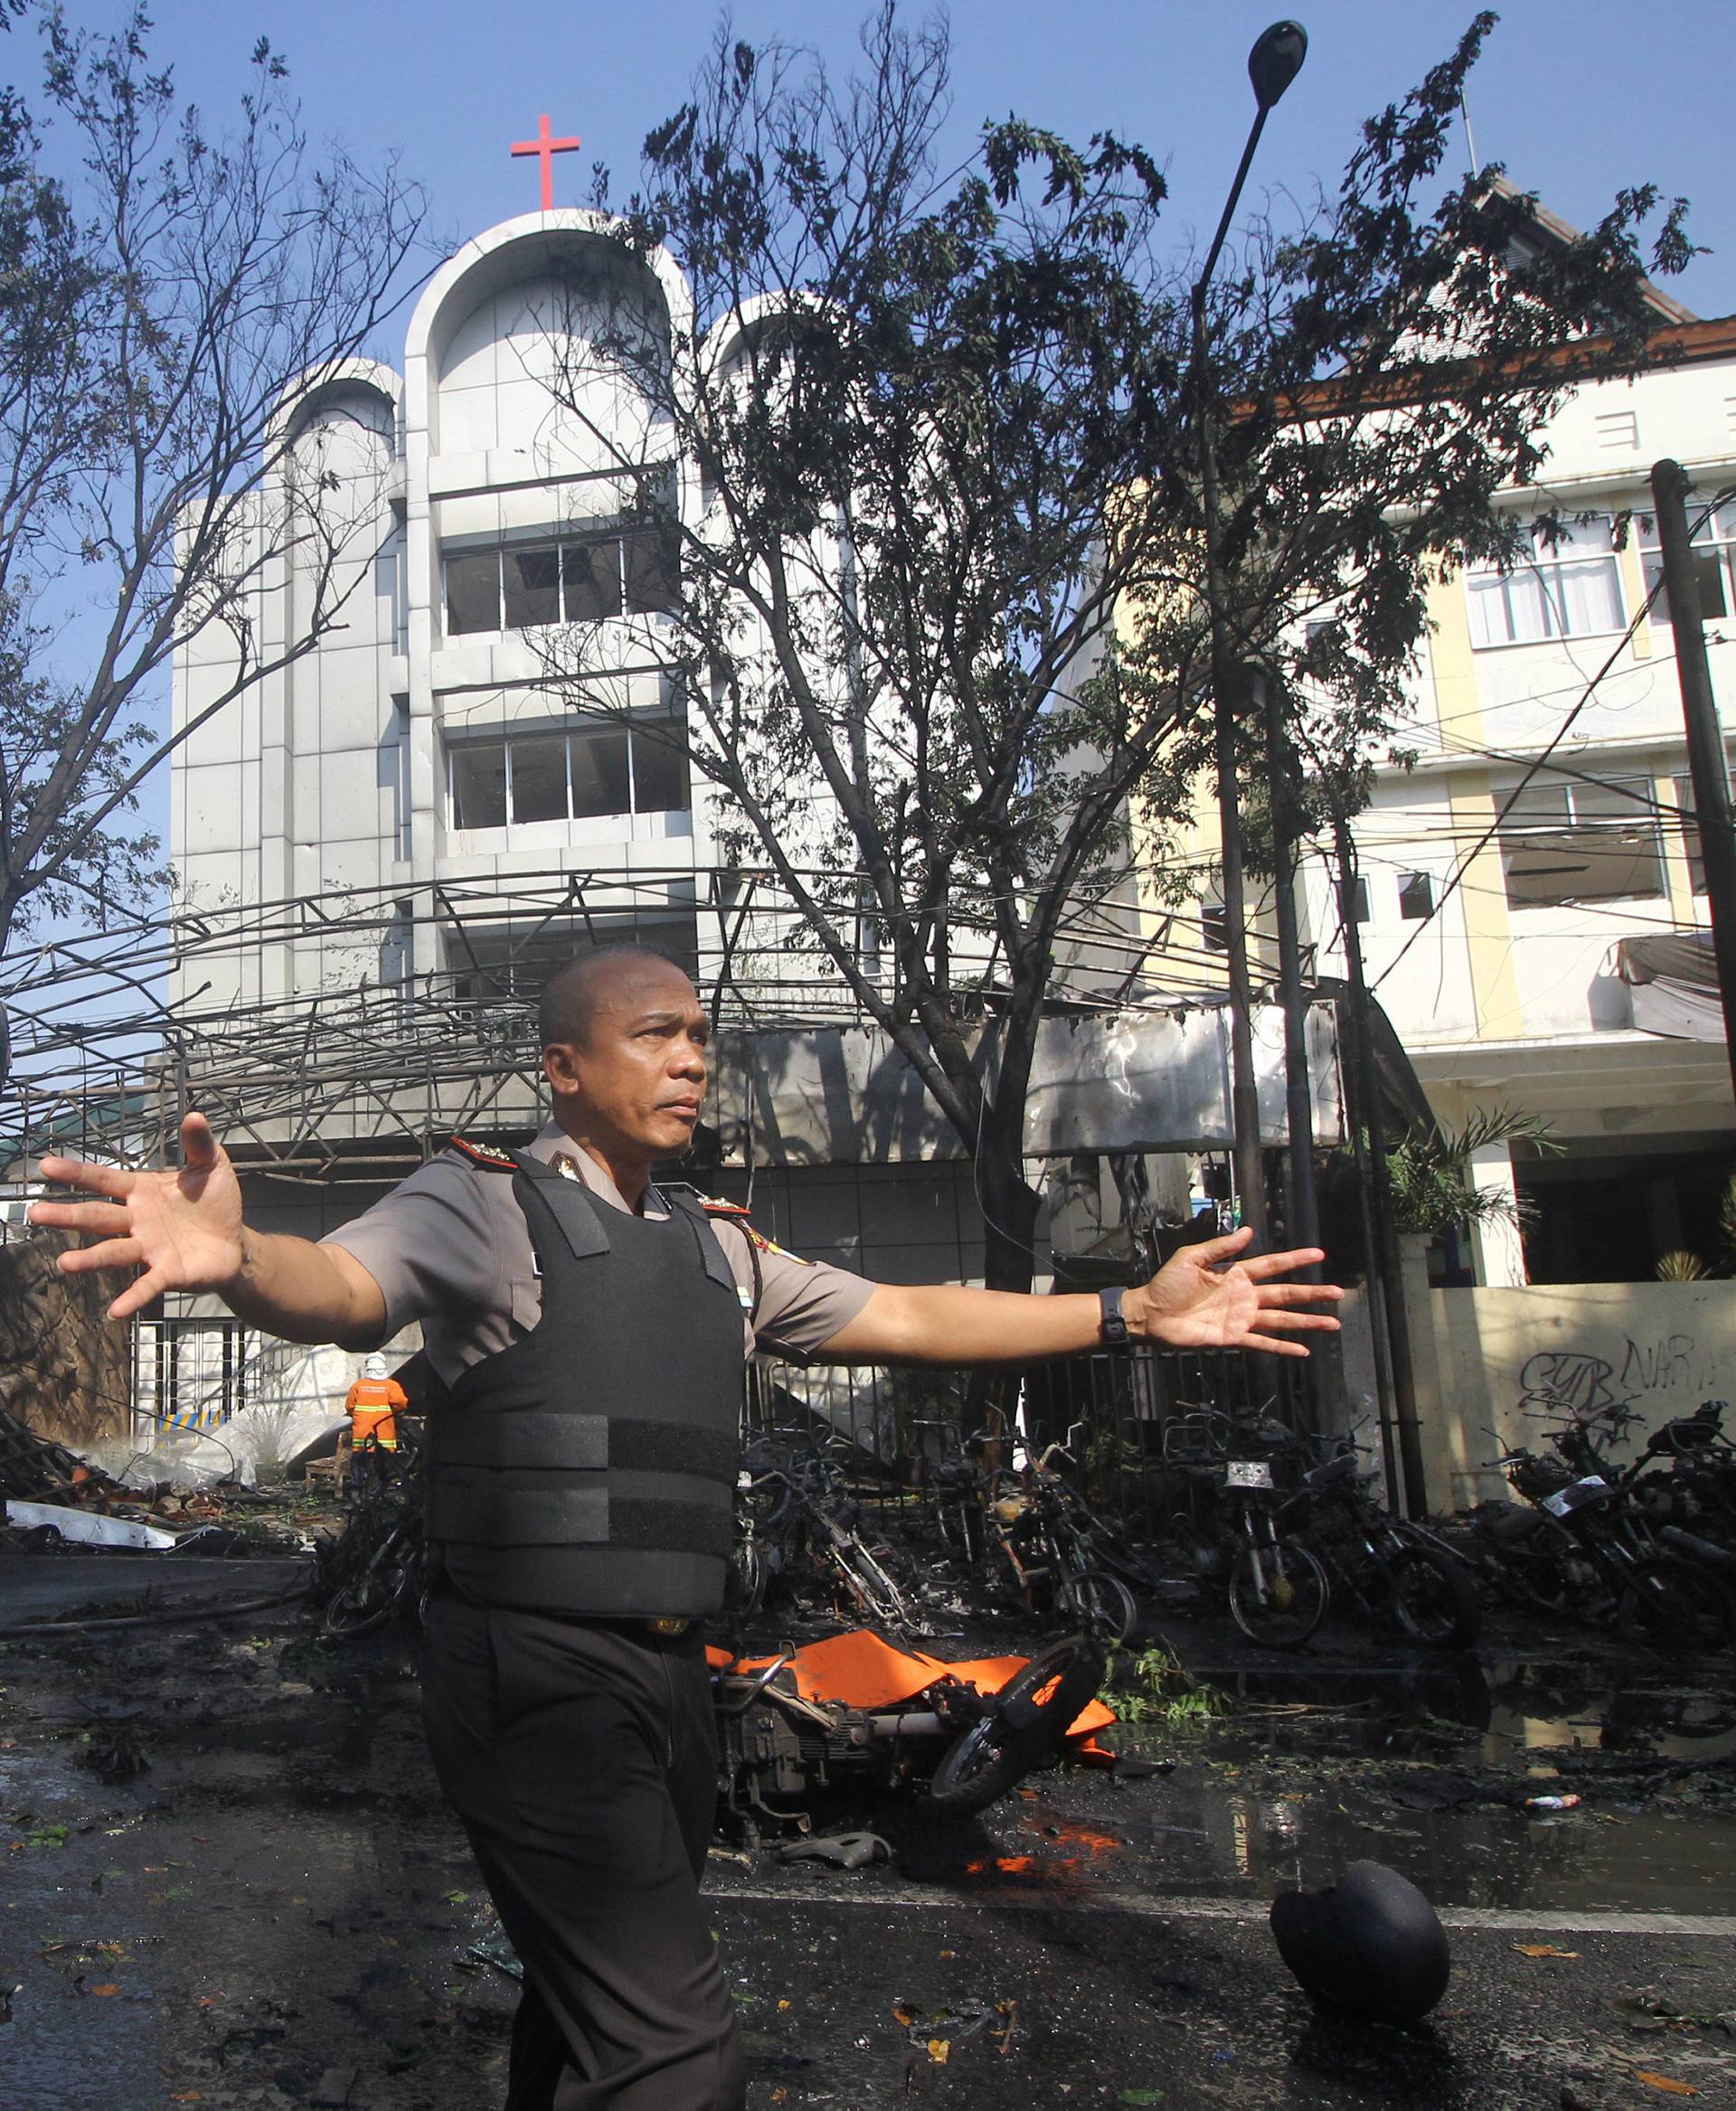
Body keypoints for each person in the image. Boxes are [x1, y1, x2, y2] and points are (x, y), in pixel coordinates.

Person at [29, 946, 1342, 2111]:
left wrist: (1131, 1315)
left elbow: (914, 1314)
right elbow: (346, 1285)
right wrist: (242, 1255)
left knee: (585, 2004)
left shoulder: (718, 1245)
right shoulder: (481, 1203)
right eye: (657, 1031)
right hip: (533, 1674)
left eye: (701, 1033)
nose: (694, 1055)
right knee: (674, 2051)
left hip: (673, 1680)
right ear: (563, 1067)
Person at [344, 1351, 408, 1495]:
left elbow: (349, 1407)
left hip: (362, 1434)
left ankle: (357, 1494)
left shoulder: (358, 1386)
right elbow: (400, 1403)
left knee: (359, 1464)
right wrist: (392, 1412)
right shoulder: (392, 1386)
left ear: (368, 1368)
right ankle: (379, 1493)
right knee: (383, 1465)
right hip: (384, 1433)